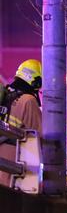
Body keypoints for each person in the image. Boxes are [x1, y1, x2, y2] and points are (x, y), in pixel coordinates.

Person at [0, 59, 42, 188]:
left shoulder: (6, 94)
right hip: (12, 158)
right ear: (36, 81)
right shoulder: (28, 100)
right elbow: (39, 135)